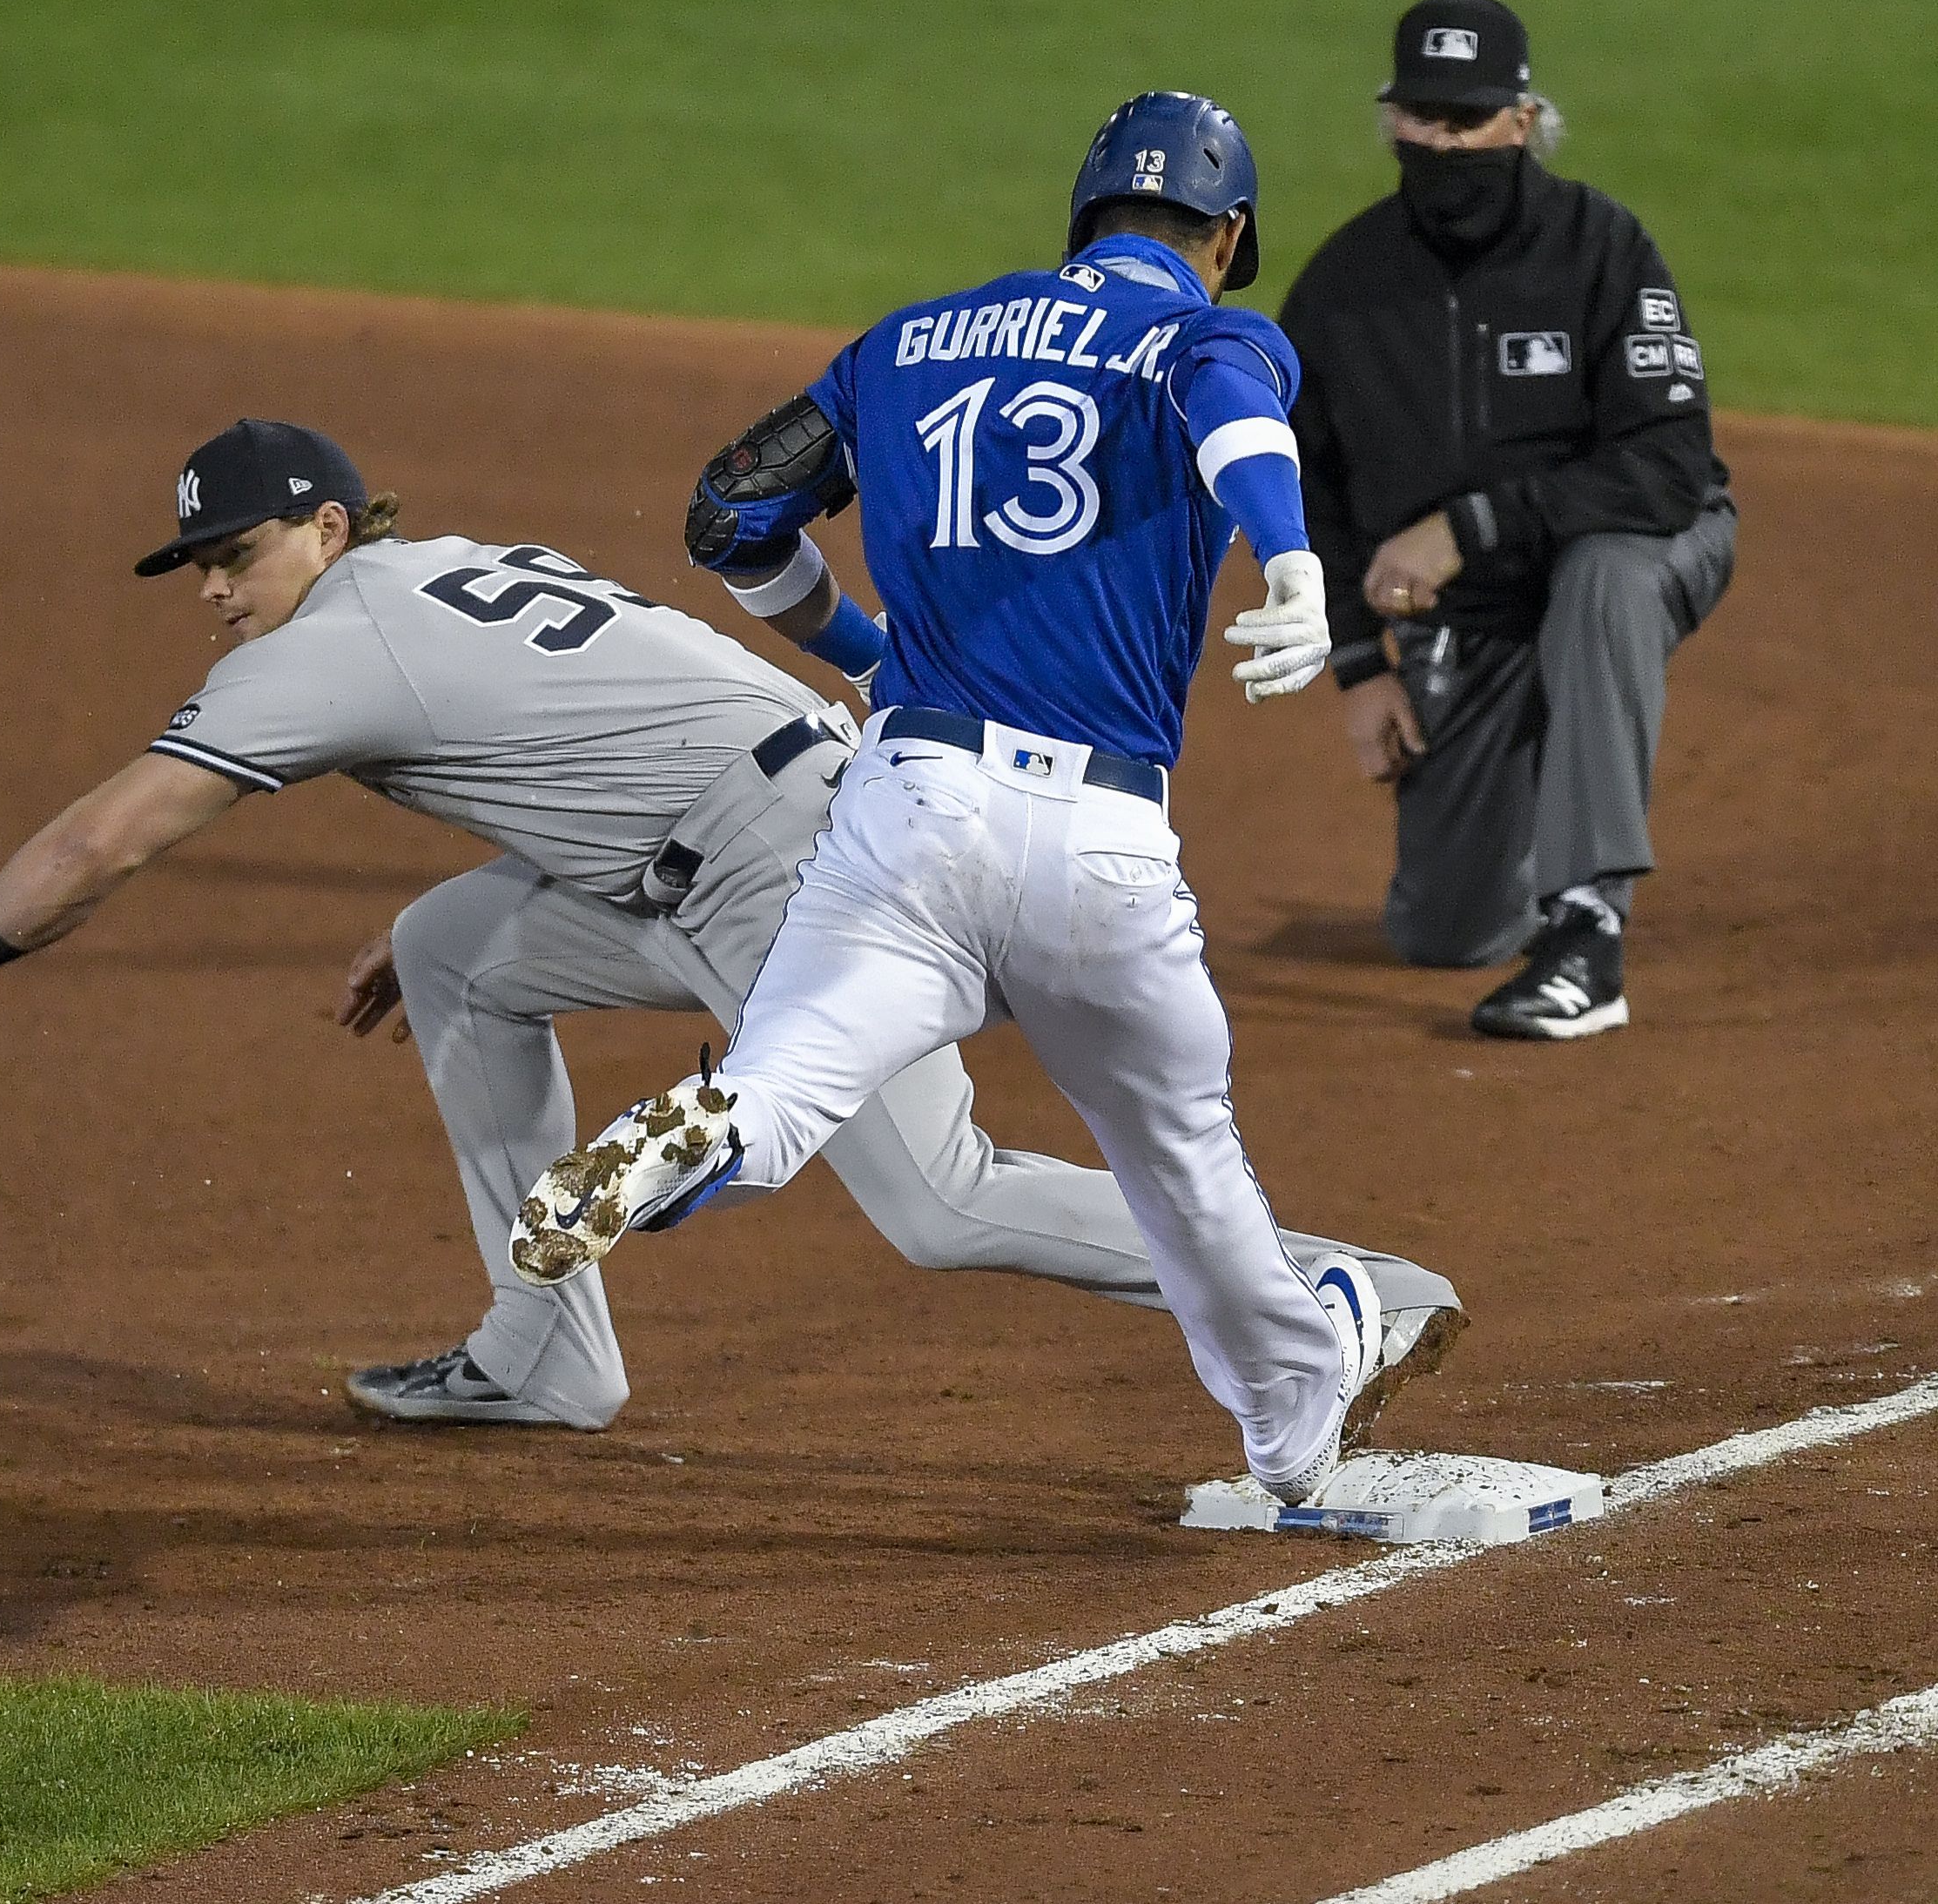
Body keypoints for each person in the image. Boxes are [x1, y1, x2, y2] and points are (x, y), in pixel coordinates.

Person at [0, 414, 1465, 1437]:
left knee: (940, 1203)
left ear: (330, 530)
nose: (217, 593)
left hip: (790, 874)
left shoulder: (316, 651)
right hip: (782, 817)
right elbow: (587, 740)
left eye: (236, 558)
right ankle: (540, 1348)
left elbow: (103, 840)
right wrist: (494, 895)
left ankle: (1335, 1287)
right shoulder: (441, 570)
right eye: (196, 571)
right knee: (445, 953)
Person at [514, 93, 1396, 1505]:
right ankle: (1289, 1437)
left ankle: (691, 1135)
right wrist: (1292, 567)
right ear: (1225, 237)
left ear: (1078, 218)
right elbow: (1235, 422)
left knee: (783, 1084)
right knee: (1179, 1162)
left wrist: (865, 650)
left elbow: (728, 512)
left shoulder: (906, 345)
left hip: (908, 806)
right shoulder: (1212, 332)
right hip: (1100, 846)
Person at [1281, 0, 1735, 1038]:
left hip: (1645, 551)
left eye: (1468, 120)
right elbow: (1305, 484)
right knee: (1443, 931)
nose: (1443, 143)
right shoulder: (1341, 288)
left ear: (1522, 121)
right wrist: (1358, 665)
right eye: (1423, 120)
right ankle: (1538, 817)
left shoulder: (1600, 248)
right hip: (1478, 621)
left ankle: (1587, 929)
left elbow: (1670, 465)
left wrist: (1469, 526)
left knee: (1600, 578)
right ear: (1391, 120)